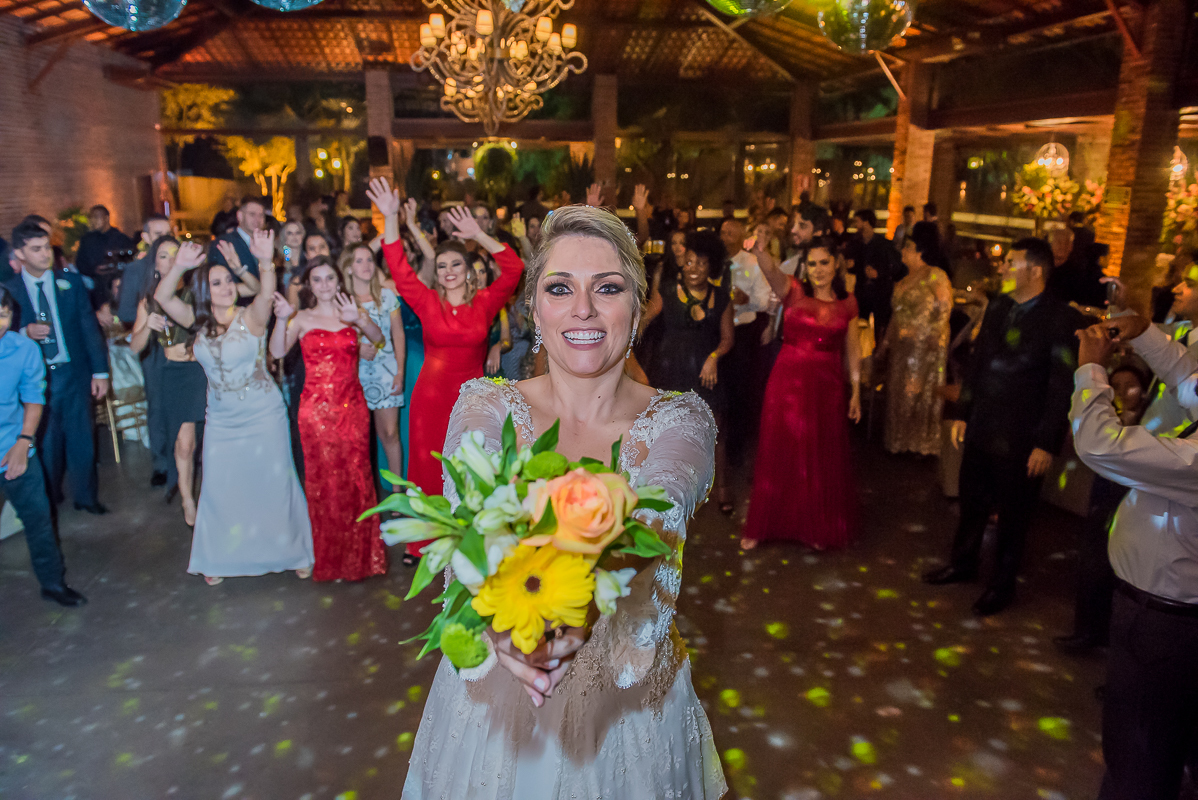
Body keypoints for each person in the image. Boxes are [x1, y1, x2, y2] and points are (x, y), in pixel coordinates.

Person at [400, 203, 726, 800]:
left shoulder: (680, 420)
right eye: (560, 288)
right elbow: (469, 517)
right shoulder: (486, 405)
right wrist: (502, 621)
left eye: (608, 288)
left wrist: (573, 613)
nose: (583, 308)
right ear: (534, 308)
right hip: (495, 707)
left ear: (638, 309)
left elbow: (655, 512)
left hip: (630, 717)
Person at [1070, 314, 1198, 799]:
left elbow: (1099, 444)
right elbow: (1189, 381)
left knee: (1137, 764)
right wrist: (1144, 332)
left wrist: (1090, 370)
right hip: (1165, 618)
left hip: (1166, 626)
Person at [923, 237, 1082, 616]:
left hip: (1022, 436)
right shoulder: (998, 307)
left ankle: (1002, 585)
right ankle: (963, 563)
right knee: (972, 500)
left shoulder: (1060, 317)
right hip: (983, 424)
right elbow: (977, 364)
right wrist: (962, 412)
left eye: (1011, 262)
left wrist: (1046, 442)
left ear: (1035, 270)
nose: (1003, 268)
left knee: (1014, 514)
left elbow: (1061, 385)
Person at [370, 178, 524, 564]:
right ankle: (421, 541)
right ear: (436, 273)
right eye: (442, 266)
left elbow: (514, 268)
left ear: (468, 269)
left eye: (456, 263)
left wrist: (479, 235)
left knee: (471, 466)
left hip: (471, 399)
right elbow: (398, 266)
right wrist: (391, 218)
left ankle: (469, 537)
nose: (449, 270)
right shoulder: (426, 302)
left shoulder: (485, 302)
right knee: (426, 466)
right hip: (431, 397)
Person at [156, 233, 314, 585]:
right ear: (203, 290)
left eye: (228, 280)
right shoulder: (196, 322)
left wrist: (265, 260)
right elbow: (163, 297)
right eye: (217, 283)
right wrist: (179, 265)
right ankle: (218, 557)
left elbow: (266, 292)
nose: (227, 287)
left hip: (263, 414)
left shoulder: (250, 317)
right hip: (221, 420)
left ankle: (294, 552)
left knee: (275, 484)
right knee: (220, 487)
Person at [269, 256, 386, 582]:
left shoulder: (350, 311)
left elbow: (378, 338)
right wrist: (281, 319)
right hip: (315, 412)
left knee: (357, 479)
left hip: (352, 409)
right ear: (309, 284)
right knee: (325, 484)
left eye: (329, 278)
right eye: (317, 279)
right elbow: (277, 352)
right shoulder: (301, 318)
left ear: (339, 281)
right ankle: (331, 559)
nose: (324, 285)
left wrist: (359, 320)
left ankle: (362, 558)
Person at [741, 236, 861, 552]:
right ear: (804, 266)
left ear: (836, 264)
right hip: (788, 384)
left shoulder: (848, 303)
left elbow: (853, 349)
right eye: (812, 263)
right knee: (779, 451)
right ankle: (764, 526)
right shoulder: (793, 291)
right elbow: (771, 273)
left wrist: (857, 391)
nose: (818, 269)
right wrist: (761, 251)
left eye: (824, 262)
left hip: (827, 386)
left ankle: (816, 526)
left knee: (820, 456)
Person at [3, 221, 109, 514]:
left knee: (82, 438)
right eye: (36, 249)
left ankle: (86, 497)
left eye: (47, 247)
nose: (45, 254)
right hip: (36, 380)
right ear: (20, 254)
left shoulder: (70, 283)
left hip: (74, 372)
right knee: (46, 444)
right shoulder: (10, 291)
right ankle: (49, 500)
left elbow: (89, 328)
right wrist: (24, 332)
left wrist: (100, 371)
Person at [1053, 360, 1150, 655]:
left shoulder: (1151, 426)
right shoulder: (1106, 421)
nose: (1122, 392)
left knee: (1120, 575)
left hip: (1134, 506)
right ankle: (1086, 632)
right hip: (1103, 501)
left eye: (1130, 386)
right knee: (1092, 563)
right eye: (1115, 386)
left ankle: (1109, 639)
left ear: (1144, 391)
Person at [0, 286, 86, 606]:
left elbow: (34, 397)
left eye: (4, 313)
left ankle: (52, 583)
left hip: (14, 445)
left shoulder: (23, 348)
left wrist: (24, 442)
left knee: (38, 518)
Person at [642, 229, 735, 510]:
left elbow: (728, 338)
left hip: (707, 375)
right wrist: (625, 335)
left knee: (715, 431)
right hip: (671, 370)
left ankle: (722, 489)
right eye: (690, 262)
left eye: (702, 264)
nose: (694, 269)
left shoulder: (721, 297)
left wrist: (714, 357)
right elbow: (645, 317)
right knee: (670, 432)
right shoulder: (668, 291)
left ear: (712, 267)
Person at [128, 236, 207, 524]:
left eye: (176, 253)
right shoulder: (149, 302)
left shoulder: (199, 293)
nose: (171, 259)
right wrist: (147, 328)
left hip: (205, 371)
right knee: (185, 443)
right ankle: (187, 500)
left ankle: (216, 494)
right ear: (156, 265)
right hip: (176, 374)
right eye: (164, 255)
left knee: (212, 441)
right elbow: (135, 347)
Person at [876, 224, 952, 456]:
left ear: (919, 251)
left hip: (925, 345)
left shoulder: (934, 275)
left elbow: (945, 305)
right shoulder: (903, 281)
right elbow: (896, 315)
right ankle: (899, 440)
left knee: (921, 392)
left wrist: (936, 332)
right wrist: (885, 344)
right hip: (902, 346)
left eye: (907, 248)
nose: (903, 252)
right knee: (899, 391)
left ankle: (921, 444)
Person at [115, 213, 174, 489]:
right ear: (146, 237)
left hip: (183, 345)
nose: (164, 237)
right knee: (158, 405)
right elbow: (126, 311)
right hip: (154, 347)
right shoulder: (136, 270)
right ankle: (161, 463)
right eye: (158, 233)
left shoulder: (183, 266)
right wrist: (148, 316)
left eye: (168, 232)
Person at [341, 244, 405, 479]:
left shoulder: (387, 295)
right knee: (357, 437)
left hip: (386, 370)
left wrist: (400, 372)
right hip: (353, 374)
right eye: (359, 261)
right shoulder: (342, 300)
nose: (366, 265)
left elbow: (398, 334)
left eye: (369, 259)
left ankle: (398, 491)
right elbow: (336, 338)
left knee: (390, 434)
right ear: (348, 268)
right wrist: (357, 348)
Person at [845, 209, 901, 337]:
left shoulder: (884, 245)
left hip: (880, 293)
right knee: (860, 326)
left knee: (880, 329)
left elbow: (896, 267)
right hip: (862, 293)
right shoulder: (856, 243)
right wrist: (851, 266)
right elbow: (854, 266)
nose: (856, 225)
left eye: (858, 221)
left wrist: (879, 273)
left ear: (866, 223)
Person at [208, 196, 267, 280]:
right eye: (252, 214)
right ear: (240, 216)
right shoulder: (224, 244)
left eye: (261, 215)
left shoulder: (265, 243)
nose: (257, 219)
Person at [74, 205, 134, 282]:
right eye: (91, 218)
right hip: (96, 283)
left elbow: (129, 262)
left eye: (96, 217)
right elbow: (80, 263)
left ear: (106, 218)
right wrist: (94, 270)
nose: (93, 221)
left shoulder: (121, 239)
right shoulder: (87, 240)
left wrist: (112, 269)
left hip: (118, 281)